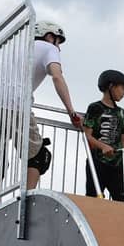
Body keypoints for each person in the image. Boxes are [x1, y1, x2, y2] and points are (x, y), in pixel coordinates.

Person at [28, 21, 83, 189]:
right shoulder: (49, 48)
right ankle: (26, 198)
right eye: (58, 42)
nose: (58, 48)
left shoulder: (20, 46)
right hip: (16, 105)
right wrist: (71, 112)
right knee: (39, 155)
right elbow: (57, 77)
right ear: (49, 36)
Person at [83, 70, 124, 202]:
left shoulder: (121, 113)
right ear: (111, 86)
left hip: (117, 164)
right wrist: (102, 146)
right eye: (122, 88)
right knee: (93, 200)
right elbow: (87, 136)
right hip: (97, 162)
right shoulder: (94, 108)